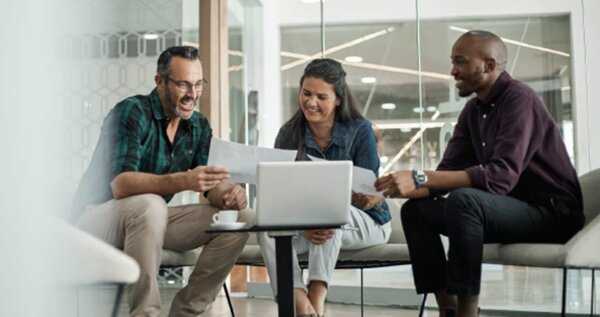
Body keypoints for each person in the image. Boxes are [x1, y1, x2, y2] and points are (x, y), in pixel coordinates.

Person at [374, 30, 584, 317]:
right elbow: (446, 174)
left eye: (460, 62)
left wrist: (421, 177)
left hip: (551, 213)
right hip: (507, 209)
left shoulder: (519, 98)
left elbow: (500, 176)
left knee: (465, 200)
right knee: (415, 211)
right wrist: (395, 189)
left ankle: (466, 313)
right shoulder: (473, 111)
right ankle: (446, 308)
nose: (452, 71)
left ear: (489, 65)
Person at [70, 46, 255, 317]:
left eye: (197, 84)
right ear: (160, 81)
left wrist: (227, 193)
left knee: (242, 217)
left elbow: (208, 184)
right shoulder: (131, 112)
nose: (192, 94)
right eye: (183, 84)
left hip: (148, 221)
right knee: (151, 203)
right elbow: (121, 185)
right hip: (96, 219)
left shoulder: (198, 126)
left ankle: (186, 312)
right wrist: (183, 181)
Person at [258, 58, 392, 317]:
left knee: (326, 213)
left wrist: (356, 198)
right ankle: (300, 304)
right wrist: (303, 223)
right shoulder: (288, 134)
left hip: (367, 221)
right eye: (306, 93)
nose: (311, 102)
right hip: (307, 221)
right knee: (267, 229)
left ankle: (316, 299)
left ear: (338, 99)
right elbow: (280, 193)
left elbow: (371, 191)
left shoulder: (359, 130)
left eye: (321, 96)